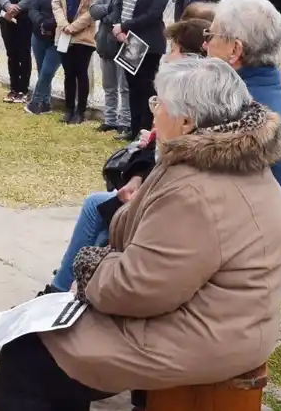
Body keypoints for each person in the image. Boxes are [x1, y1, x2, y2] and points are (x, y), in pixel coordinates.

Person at [0, 58, 281, 410]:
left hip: (209, 334)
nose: (152, 113)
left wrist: (90, 271)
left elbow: (138, 289)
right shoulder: (224, 160)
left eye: (158, 103)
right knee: (40, 337)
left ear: (187, 120)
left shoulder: (196, 190)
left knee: (29, 355)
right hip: (226, 320)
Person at [39, 18, 209, 296]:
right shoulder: (183, 101)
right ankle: (66, 286)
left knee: (100, 209)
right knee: (102, 207)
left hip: (159, 218)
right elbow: (154, 155)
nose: (167, 55)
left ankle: (61, 291)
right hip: (150, 194)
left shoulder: (189, 102)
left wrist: (138, 189)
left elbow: (169, 175)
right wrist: (138, 176)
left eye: (174, 48)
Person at [206, 0, 281, 219]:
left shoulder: (240, 115)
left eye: (210, 35)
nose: (205, 44)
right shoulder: (275, 102)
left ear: (235, 50)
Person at [114, 0, 171, 141]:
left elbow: (153, 14)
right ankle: (134, 128)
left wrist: (125, 26)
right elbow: (118, 6)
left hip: (148, 44)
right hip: (128, 42)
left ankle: (145, 130)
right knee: (133, 86)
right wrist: (119, 28)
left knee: (145, 88)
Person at [53, 0, 103, 125]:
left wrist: (74, 27)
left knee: (81, 73)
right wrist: (64, 25)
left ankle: (80, 111)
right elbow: (56, 3)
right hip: (64, 34)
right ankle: (68, 110)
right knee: (68, 73)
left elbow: (93, 10)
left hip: (83, 36)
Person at [90, 0, 135, 133]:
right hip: (105, 43)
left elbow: (121, 16)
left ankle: (125, 121)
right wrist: (108, 9)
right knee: (109, 85)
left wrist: (108, 14)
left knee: (124, 86)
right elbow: (94, 10)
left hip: (124, 43)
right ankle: (110, 119)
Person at [24, 0, 69, 115]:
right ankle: (46, 103)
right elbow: (32, 8)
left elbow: (67, 13)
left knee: (47, 71)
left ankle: (35, 102)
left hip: (58, 39)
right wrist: (40, 22)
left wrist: (51, 23)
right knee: (42, 70)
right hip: (38, 36)